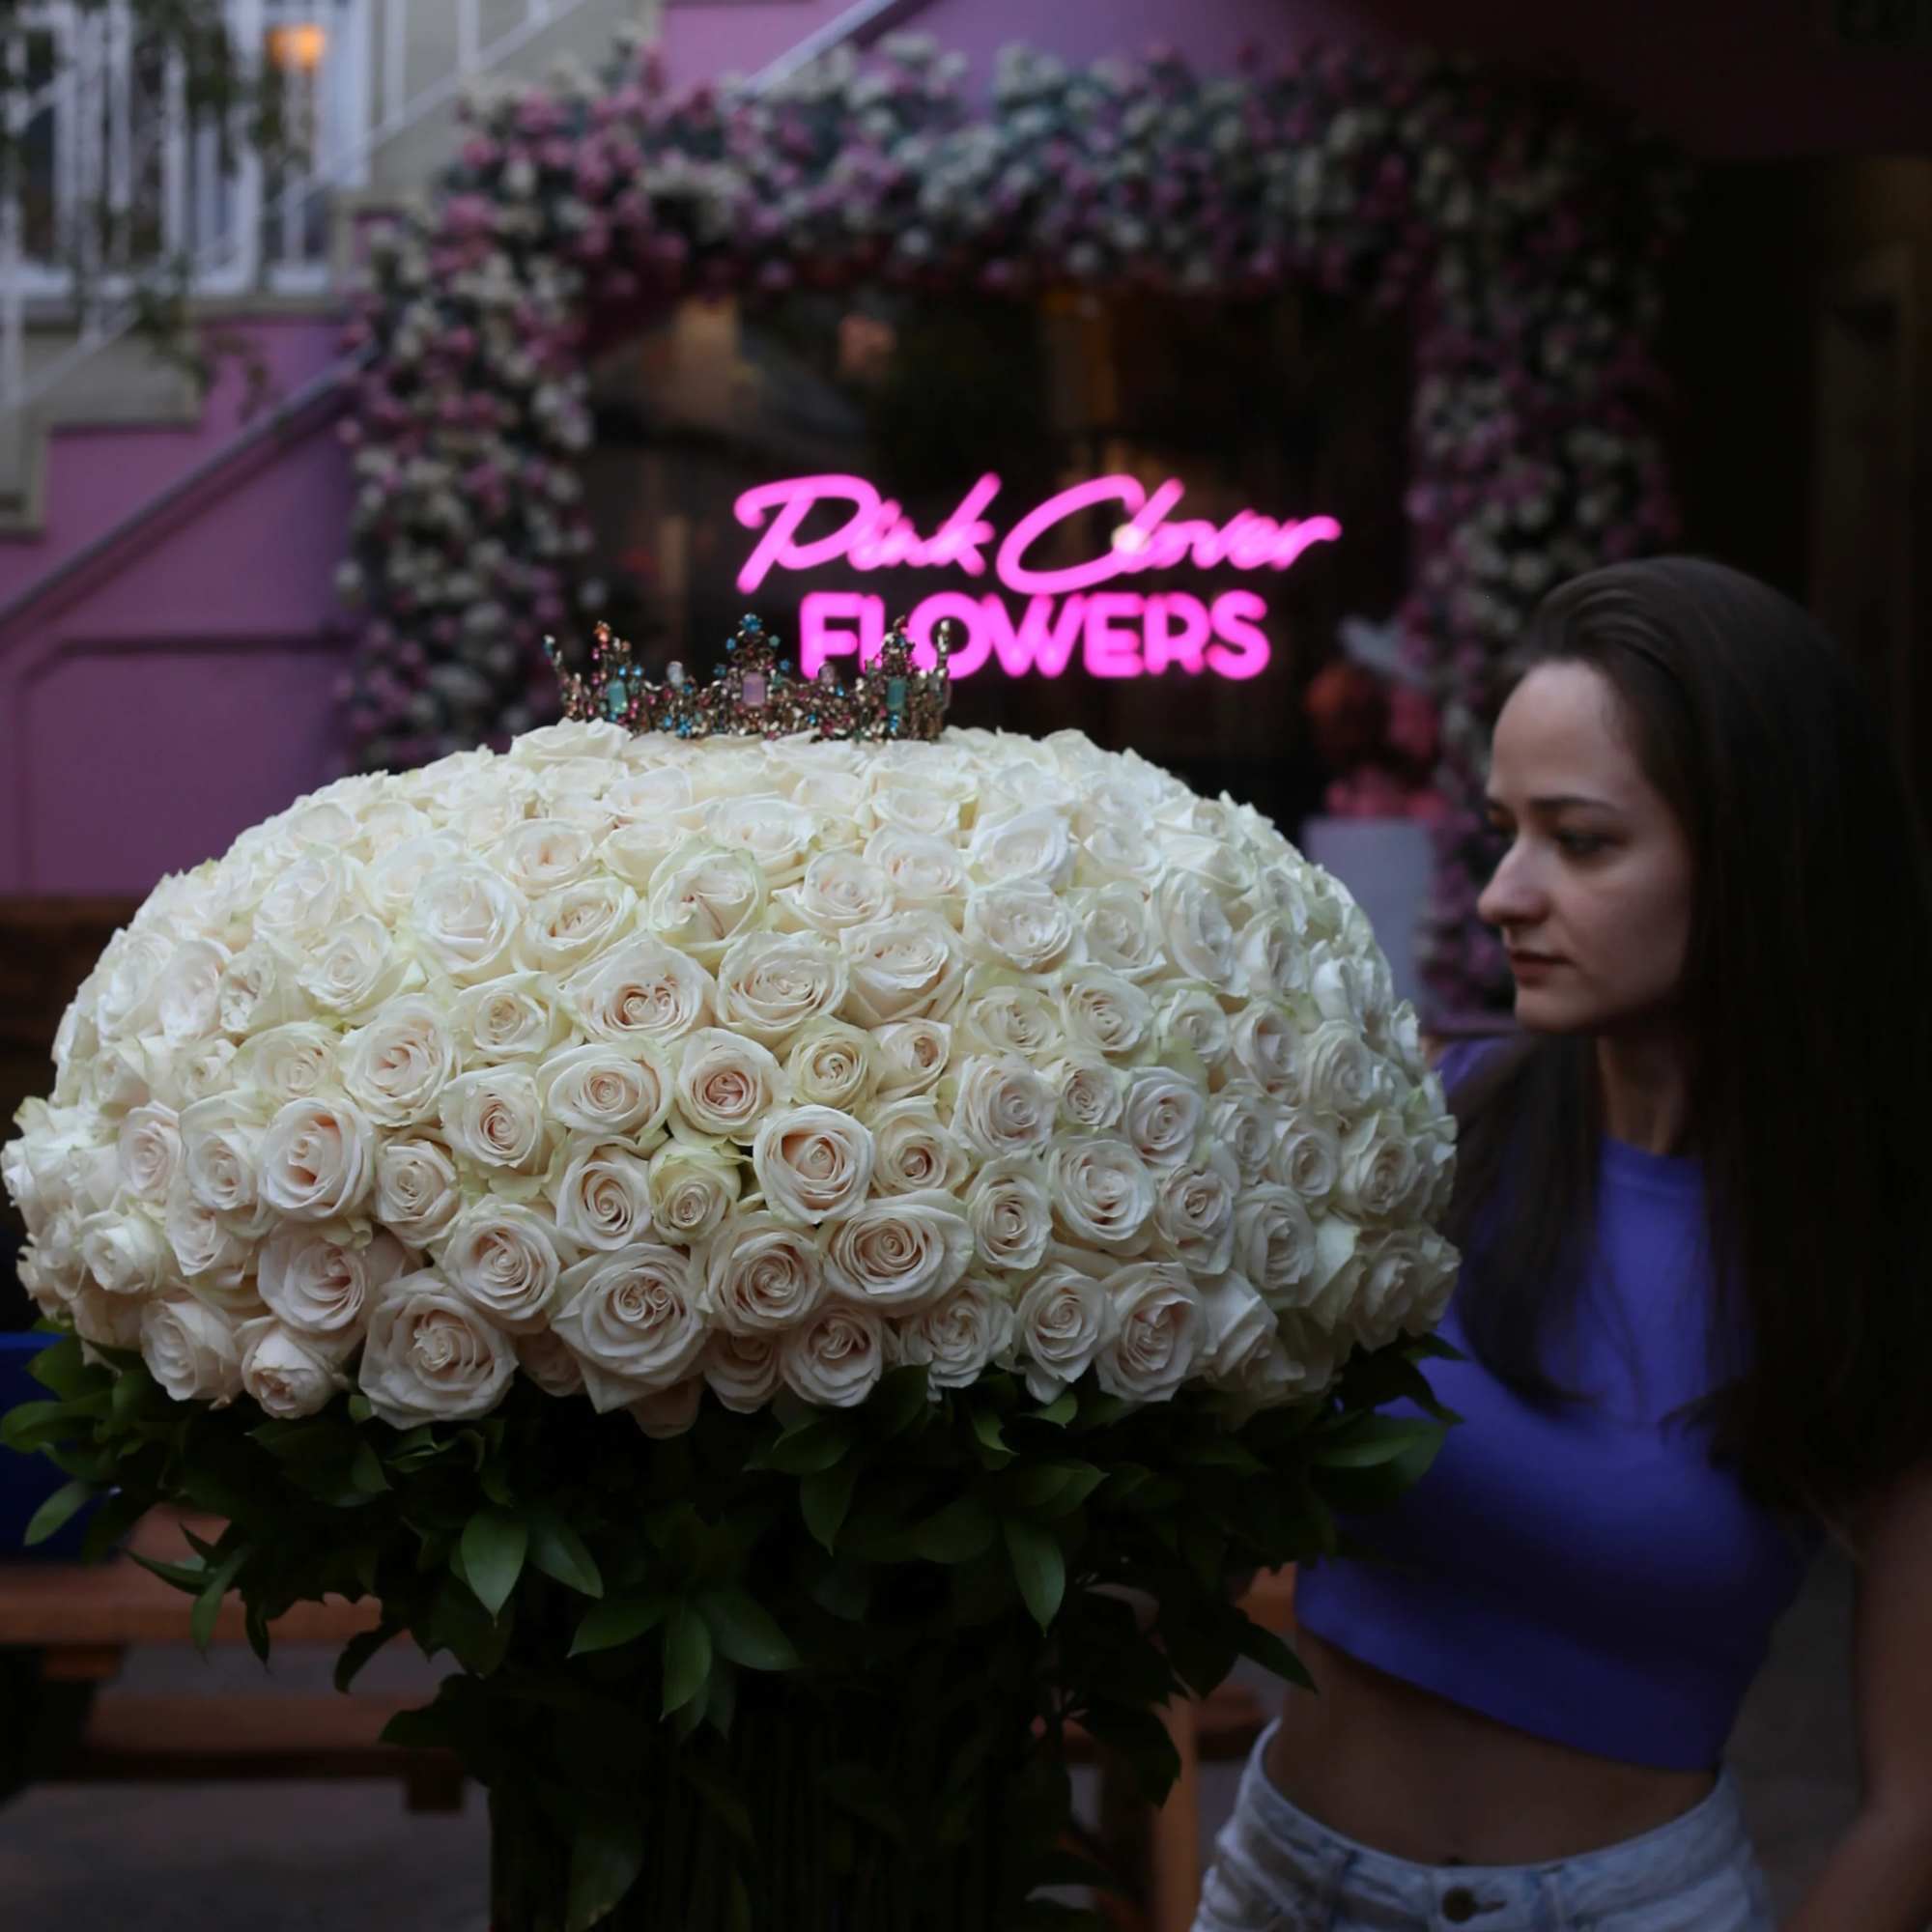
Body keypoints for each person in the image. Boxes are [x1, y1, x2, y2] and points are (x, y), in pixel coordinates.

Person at [1195, 556, 1932, 1931]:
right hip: (1285, 1881)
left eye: (1581, 841)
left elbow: (1917, 1803)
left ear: (1764, 861)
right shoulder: (1412, 1128)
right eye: (1502, 833)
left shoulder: (1867, 1254)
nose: (1501, 897)